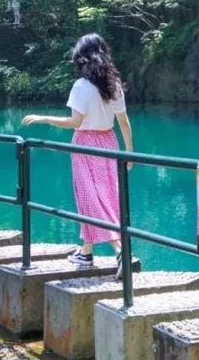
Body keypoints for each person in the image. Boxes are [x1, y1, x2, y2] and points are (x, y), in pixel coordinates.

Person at [21, 34, 134, 273]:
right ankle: (86, 253)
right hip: (109, 143)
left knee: (91, 199)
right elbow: (124, 122)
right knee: (105, 197)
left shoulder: (82, 86)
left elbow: (75, 122)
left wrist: (44, 118)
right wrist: (129, 153)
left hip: (85, 145)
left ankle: (120, 249)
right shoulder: (113, 85)